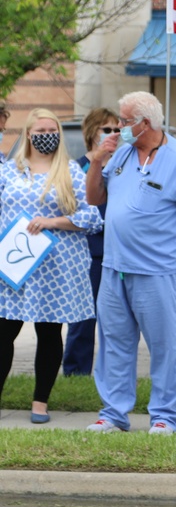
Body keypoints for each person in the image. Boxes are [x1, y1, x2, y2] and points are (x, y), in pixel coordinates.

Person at [84, 91, 176, 434]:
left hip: (157, 271)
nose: (118, 127)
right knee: (114, 343)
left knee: (164, 346)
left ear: (146, 123)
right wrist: (96, 160)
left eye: (125, 121)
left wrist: (175, 243)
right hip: (115, 267)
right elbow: (95, 198)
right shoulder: (121, 153)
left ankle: (164, 417)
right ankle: (113, 413)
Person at [0, 109, 103, 424]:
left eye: (52, 129)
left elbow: (92, 217)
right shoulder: (8, 171)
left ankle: (40, 402)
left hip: (56, 269)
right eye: (41, 129)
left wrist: (52, 222)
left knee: (49, 334)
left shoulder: (71, 171)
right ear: (29, 134)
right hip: (14, 267)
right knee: (4, 333)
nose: (48, 134)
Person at [63, 107, 118, 377]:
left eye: (117, 129)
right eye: (106, 129)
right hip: (89, 252)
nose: (113, 134)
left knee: (116, 321)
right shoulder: (76, 168)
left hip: (120, 251)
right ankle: (75, 372)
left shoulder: (123, 165)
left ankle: (111, 374)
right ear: (92, 133)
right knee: (84, 318)